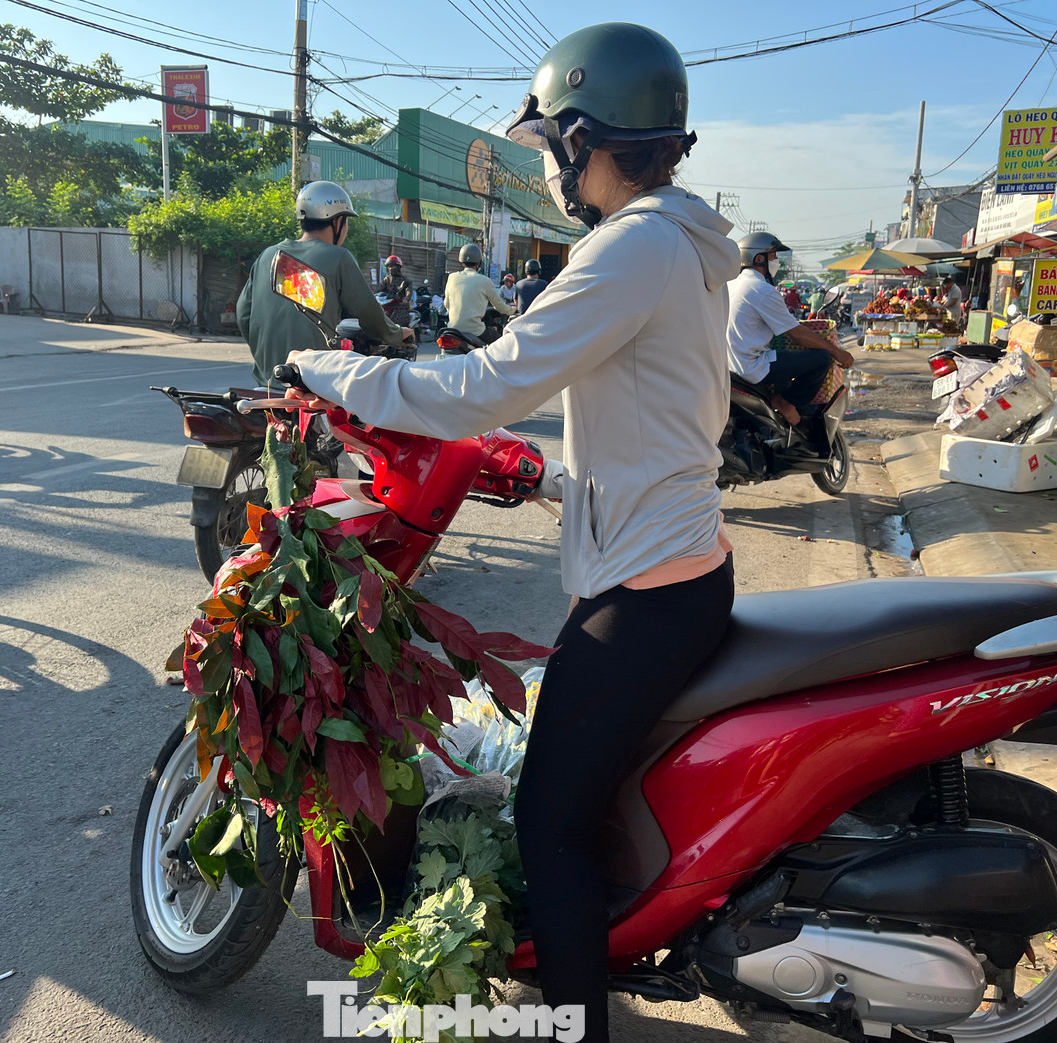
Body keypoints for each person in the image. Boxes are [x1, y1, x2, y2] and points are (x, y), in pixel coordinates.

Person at [283, 23, 736, 1041]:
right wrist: (552, 480)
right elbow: (661, 417)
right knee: (589, 793)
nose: (546, 167)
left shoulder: (634, 246)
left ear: (584, 137)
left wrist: (329, 372)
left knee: (548, 820)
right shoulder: (690, 244)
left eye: (548, 147)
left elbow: (485, 385)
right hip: (668, 555)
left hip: (648, 586)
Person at [236, 181, 411, 387]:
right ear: (337, 222)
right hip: (310, 383)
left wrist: (267, 356)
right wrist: (397, 334)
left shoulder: (268, 255)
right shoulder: (338, 257)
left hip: (265, 383)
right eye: (345, 222)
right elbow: (368, 313)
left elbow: (243, 314)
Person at [727, 231, 855, 428]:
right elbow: (797, 334)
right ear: (759, 259)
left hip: (728, 366)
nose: (776, 261)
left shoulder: (731, 285)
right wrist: (836, 351)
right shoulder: (761, 290)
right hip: (751, 367)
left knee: (783, 357)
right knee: (822, 358)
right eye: (774, 256)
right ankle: (786, 402)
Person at [443, 243, 510, 338]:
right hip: (476, 331)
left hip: (453, 329)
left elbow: (447, 304)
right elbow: (499, 306)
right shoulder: (485, 281)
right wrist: (512, 311)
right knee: (500, 343)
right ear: (479, 262)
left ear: (461, 261)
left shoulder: (452, 277)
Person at [378, 254, 413, 326]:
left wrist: (406, 298)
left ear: (398, 267)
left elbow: (409, 290)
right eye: (389, 266)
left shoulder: (405, 280)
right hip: (387, 305)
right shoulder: (386, 280)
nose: (391, 269)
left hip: (400, 307)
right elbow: (379, 291)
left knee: (398, 324)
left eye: (393, 266)